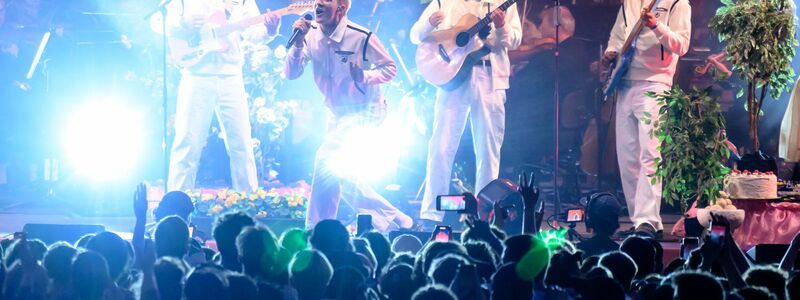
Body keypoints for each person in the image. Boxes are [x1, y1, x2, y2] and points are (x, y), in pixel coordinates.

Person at [283, 0, 412, 231]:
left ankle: (315, 227)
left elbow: (389, 68)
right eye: (317, 0)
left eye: (326, 0)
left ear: (341, 8)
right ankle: (392, 218)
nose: (319, 4)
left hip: (366, 110)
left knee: (325, 160)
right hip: (336, 113)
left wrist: (365, 76)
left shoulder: (360, 36)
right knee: (339, 171)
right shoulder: (310, 35)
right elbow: (291, 74)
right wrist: (298, 43)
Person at [410, 0, 522, 225]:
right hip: (453, 76)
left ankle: (485, 215)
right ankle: (432, 213)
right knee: (441, 145)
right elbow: (415, 34)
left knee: (488, 148)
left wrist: (502, 28)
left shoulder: (503, 3)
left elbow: (515, 40)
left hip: (490, 76)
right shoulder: (446, 1)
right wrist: (428, 25)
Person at [164, 0, 280, 193]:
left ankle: (248, 203)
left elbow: (253, 33)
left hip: (231, 76)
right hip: (196, 74)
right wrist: (183, 23)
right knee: (187, 142)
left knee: (241, 143)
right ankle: (176, 206)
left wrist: (270, 30)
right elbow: (164, 24)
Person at [602, 0, 691, 238]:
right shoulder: (628, 3)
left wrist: (656, 26)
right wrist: (610, 52)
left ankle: (648, 220)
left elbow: (682, 45)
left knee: (650, 154)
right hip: (625, 81)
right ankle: (638, 219)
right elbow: (617, 36)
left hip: (655, 82)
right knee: (628, 155)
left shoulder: (677, 3)